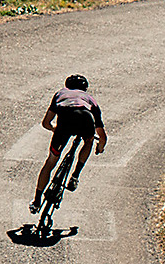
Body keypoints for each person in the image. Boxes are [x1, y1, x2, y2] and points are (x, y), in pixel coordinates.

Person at [31, 74, 108, 214]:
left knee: (50, 162)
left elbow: (46, 123)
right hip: (85, 118)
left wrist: (58, 130)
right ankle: (75, 176)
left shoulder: (60, 93)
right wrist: (100, 147)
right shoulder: (90, 99)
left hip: (65, 121)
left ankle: (36, 201)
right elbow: (102, 135)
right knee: (89, 140)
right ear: (85, 88)